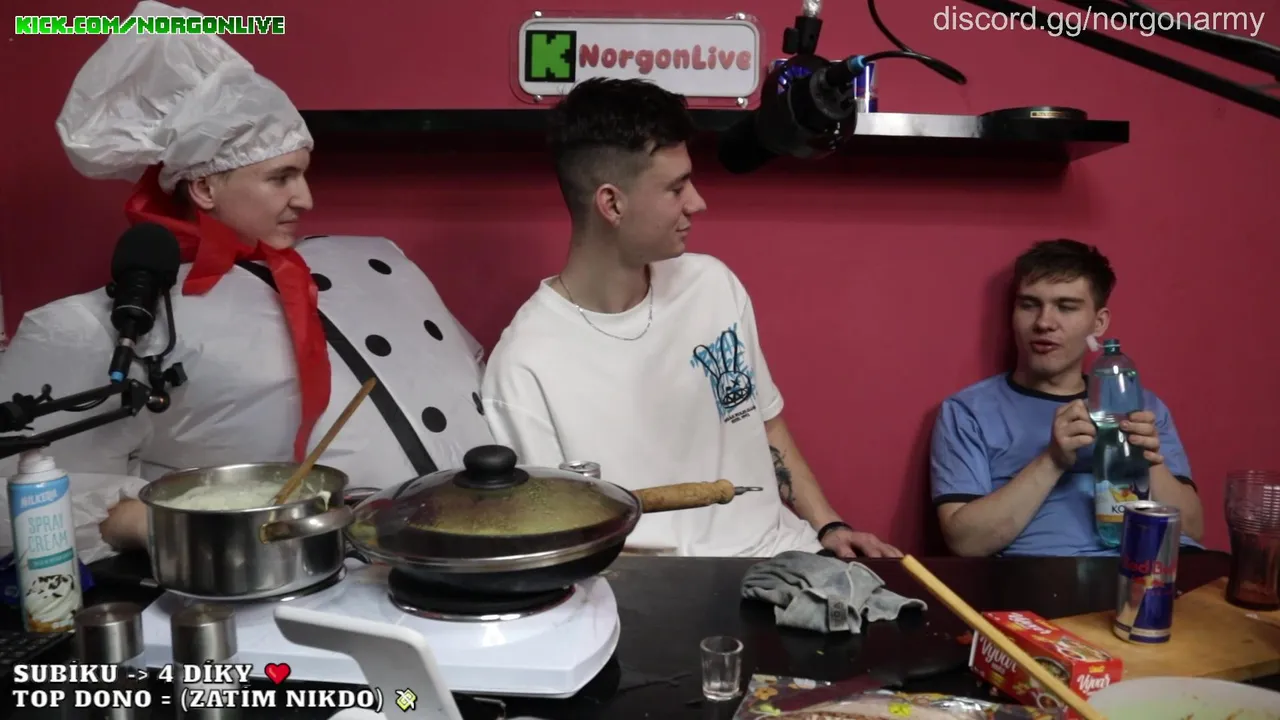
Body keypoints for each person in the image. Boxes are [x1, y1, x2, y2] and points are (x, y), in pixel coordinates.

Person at [0, 0, 493, 562]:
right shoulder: (105, 327)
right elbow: (25, 494)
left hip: (475, 539)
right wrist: (192, 533)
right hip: (291, 583)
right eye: (281, 177)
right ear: (205, 188)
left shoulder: (379, 260)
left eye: (304, 174)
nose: (306, 199)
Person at [479, 78, 900, 559]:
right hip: (656, 590)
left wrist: (829, 526)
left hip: (788, 557)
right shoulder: (523, 367)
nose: (697, 202)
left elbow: (765, 425)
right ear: (612, 204)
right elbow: (561, 543)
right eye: (676, 188)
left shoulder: (712, 285)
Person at [929, 239, 1205, 557]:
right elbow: (965, 542)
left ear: (1098, 323)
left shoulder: (1143, 407)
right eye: (1029, 305)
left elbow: (1194, 528)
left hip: (1158, 569)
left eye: (1066, 307)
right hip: (1051, 575)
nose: (1044, 323)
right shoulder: (968, 412)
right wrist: (1052, 460)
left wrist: (1145, 461)